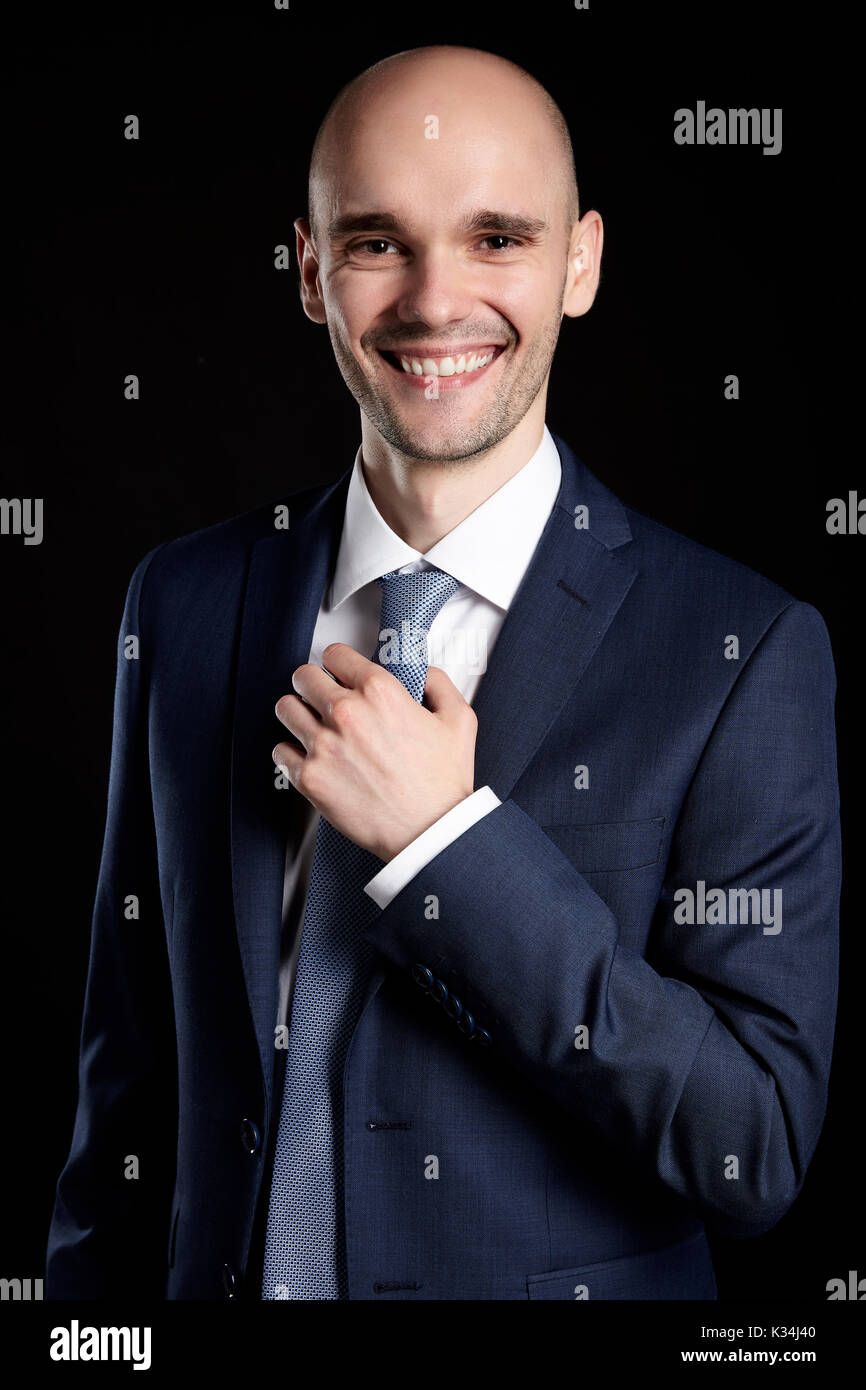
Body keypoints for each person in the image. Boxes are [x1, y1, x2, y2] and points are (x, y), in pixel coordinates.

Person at [45, 44, 840, 1301]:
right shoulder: (186, 601)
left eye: (495, 239)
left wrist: (445, 848)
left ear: (578, 262)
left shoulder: (740, 651)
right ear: (309, 271)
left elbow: (751, 1144)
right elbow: (127, 1082)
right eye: (375, 243)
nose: (432, 300)